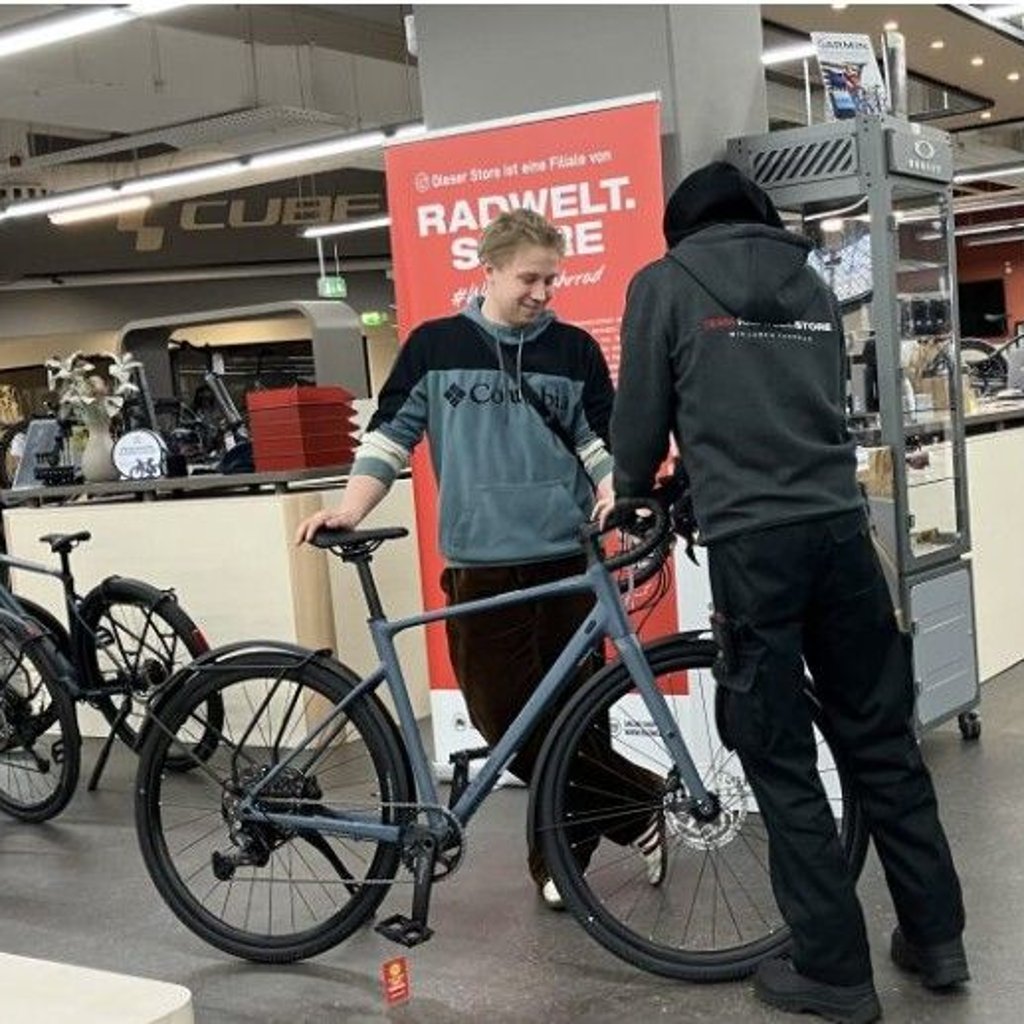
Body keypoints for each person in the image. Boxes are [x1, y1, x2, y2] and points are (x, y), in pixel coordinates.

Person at [610, 162, 967, 1024]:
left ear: (681, 228)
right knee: (883, 740)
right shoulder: (811, 281)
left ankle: (834, 970)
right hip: (844, 534)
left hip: (753, 545)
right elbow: (806, 405)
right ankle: (936, 938)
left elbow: (642, 419)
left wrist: (635, 491)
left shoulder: (664, 283)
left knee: (779, 757)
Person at [295, 208, 665, 909]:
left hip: (566, 563)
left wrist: (615, 486)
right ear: (488, 269)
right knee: (504, 725)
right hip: (479, 564)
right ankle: (641, 806)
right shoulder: (434, 346)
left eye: (551, 280)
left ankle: (561, 860)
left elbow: (599, 443)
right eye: (530, 278)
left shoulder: (575, 350)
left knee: (576, 720)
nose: (543, 293)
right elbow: (391, 437)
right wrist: (351, 508)